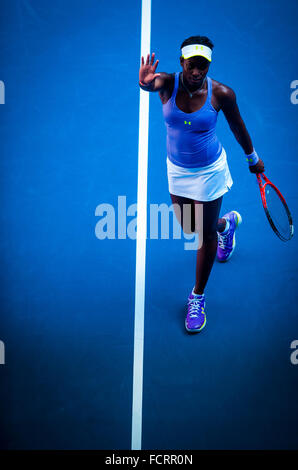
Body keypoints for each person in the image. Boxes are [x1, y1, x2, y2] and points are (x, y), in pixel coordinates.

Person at [139, 35, 264, 333]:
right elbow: (150, 85)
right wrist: (144, 82)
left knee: (202, 235)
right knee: (189, 226)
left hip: (209, 172)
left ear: (208, 66)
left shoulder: (221, 94)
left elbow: (237, 126)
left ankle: (197, 296)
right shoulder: (168, 84)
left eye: (203, 66)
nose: (197, 72)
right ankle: (226, 225)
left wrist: (252, 158)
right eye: (192, 65)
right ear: (182, 63)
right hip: (178, 171)